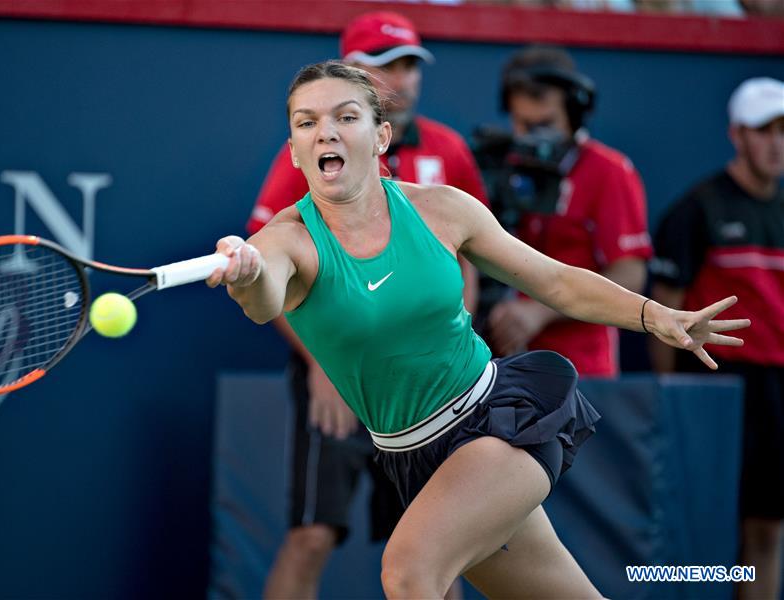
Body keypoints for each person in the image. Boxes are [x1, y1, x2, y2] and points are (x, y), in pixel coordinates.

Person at [209, 60, 749, 598]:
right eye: (306, 123)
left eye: (345, 117)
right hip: (409, 454)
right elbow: (263, 302)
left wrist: (658, 316)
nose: (324, 130)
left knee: (407, 570)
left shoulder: (443, 208)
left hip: (500, 422)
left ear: (381, 137)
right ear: (295, 150)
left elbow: (555, 282)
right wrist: (249, 271)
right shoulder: (287, 239)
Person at [247, 11, 487, 599]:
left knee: (440, 551)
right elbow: (274, 264)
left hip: (430, 387)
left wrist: (451, 347)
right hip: (338, 373)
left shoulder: (449, 150)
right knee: (311, 535)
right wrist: (321, 366)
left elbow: (469, 257)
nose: (400, 80)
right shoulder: (308, 154)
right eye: (384, 66)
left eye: (409, 65)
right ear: (352, 72)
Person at [650, 77, 784, 600]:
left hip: (776, 393)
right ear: (736, 135)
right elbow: (666, 311)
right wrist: (672, 398)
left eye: (783, 130)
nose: (775, 143)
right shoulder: (696, 210)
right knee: (702, 531)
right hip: (715, 392)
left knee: (768, 528)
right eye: (763, 130)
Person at [477, 46, 652, 377]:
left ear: (573, 113)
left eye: (545, 124)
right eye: (523, 125)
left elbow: (630, 275)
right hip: (497, 365)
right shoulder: (499, 165)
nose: (533, 138)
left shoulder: (609, 170)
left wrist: (538, 312)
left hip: (580, 370)